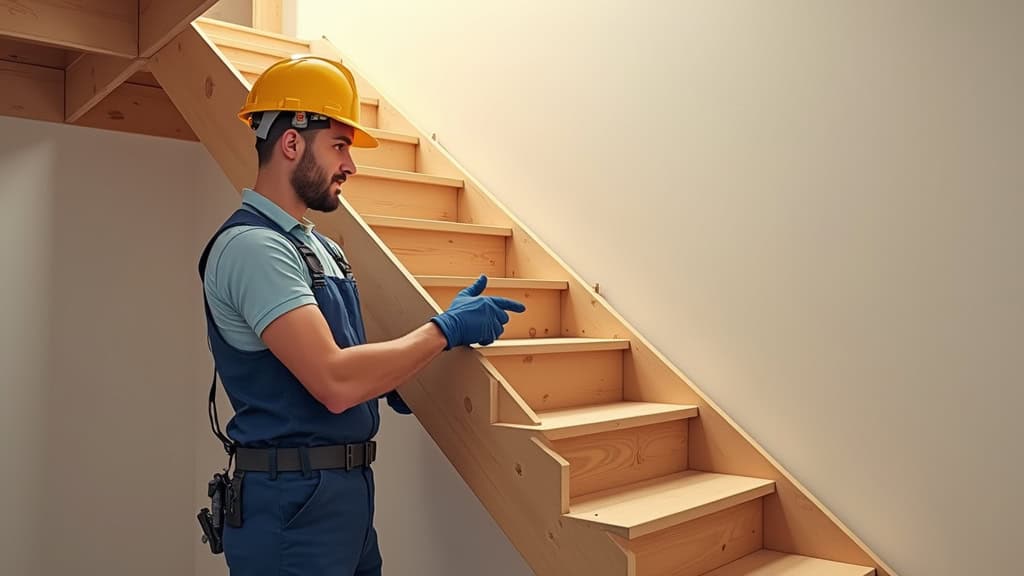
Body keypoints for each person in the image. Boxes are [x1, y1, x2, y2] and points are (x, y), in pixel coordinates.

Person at [196, 55, 526, 576]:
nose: (350, 164)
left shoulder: (321, 248)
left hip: (344, 499)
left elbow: (352, 365)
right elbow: (334, 380)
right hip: (290, 506)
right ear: (291, 143)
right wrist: (443, 330)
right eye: (340, 145)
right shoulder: (254, 249)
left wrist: (408, 378)